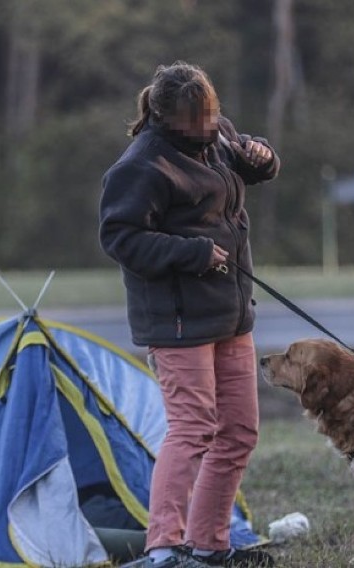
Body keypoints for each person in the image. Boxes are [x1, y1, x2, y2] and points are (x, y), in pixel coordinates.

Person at [99, 62, 280, 568]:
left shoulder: (217, 135)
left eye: (213, 113)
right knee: (193, 429)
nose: (210, 125)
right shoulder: (141, 167)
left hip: (230, 311)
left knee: (239, 431)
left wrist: (262, 157)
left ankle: (209, 546)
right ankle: (163, 550)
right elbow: (120, 237)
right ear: (167, 119)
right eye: (196, 119)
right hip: (178, 322)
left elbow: (247, 168)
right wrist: (193, 253)